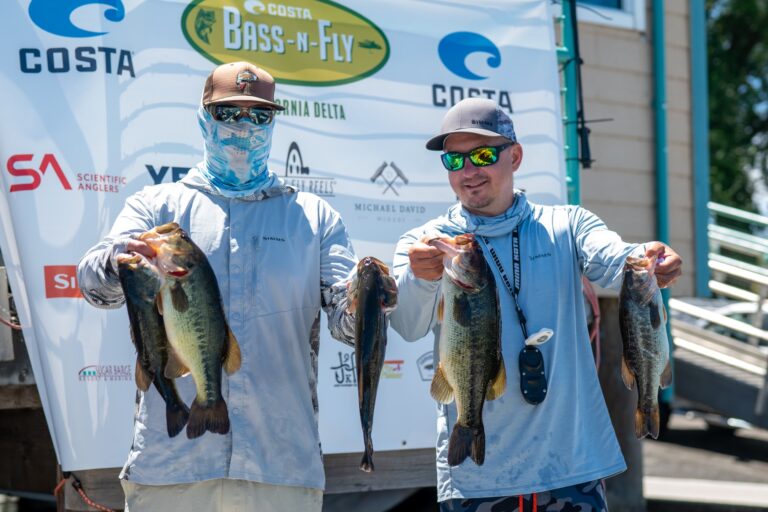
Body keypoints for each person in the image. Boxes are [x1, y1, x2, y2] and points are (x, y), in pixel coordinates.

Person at [77, 61, 358, 512]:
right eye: (228, 113)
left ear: (273, 123)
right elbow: (95, 287)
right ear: (204, 120)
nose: (244, 126)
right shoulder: (155, 207)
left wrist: (374, 295)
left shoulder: (315, 217)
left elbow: (348, 323)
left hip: (280, 468)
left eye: (259, 115)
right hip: (172, 468)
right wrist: (119, 261)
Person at [389, 97, 682, 512]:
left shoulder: (568, 224)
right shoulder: (427, 242)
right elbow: (407, 324)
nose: (468, 172)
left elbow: (614, 260)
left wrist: (651, 258)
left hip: (571, 467)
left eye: (483, 155)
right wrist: (421, 278)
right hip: (478, 473)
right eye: (454, 161)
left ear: (516, 156)